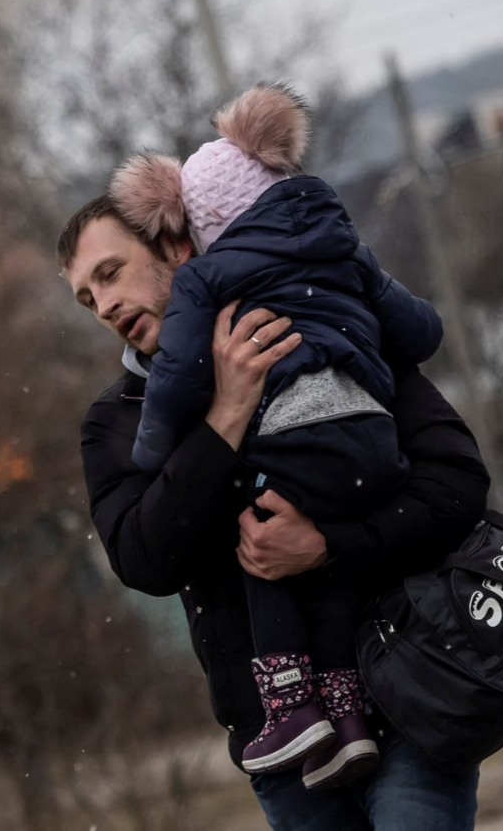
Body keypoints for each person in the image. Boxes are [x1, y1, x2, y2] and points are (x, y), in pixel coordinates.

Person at [60, 193, 489, 830]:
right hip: (283, 740)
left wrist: (331, 545)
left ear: (175, 249)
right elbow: (143, 558)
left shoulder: (321, 323)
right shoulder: (119, 419)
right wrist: (226, 414)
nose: (104, 305)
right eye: (86, 298)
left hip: (408, 698)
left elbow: (456, 483)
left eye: (110, 272)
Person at [105, 83, 445, 785]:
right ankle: (346, 713)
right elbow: (422, 329)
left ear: (191, 228)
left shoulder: (208, 277)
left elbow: (178, 375)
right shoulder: (345, 251)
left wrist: (156, 444)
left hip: (297, 443)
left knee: (258, 530)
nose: (105, 304)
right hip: (375, 447)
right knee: (315, 550)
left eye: (110, 276)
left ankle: (293, 706)